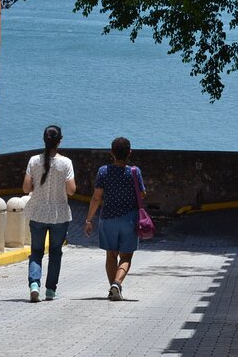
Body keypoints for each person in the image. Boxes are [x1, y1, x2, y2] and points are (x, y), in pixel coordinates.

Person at [84, 137, 146, 301]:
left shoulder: (103, 171)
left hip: (108, 218)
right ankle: (117, 284)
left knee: (111, 255)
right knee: (126, 257)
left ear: (111, 153)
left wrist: (89, 220)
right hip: (129, 219)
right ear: (129, 153)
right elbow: (141, 194)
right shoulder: (134, 172)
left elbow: (97, 197)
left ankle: (113, 287)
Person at [22, 125, 76, 302]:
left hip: (37, 212)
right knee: (55, 252)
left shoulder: (33, 161)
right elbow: (71, 190)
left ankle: (34, 284)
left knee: (36, 251)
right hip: (59, 214)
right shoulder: (65, 163)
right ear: (60, 140)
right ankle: (50, 290)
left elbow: (25, 188)